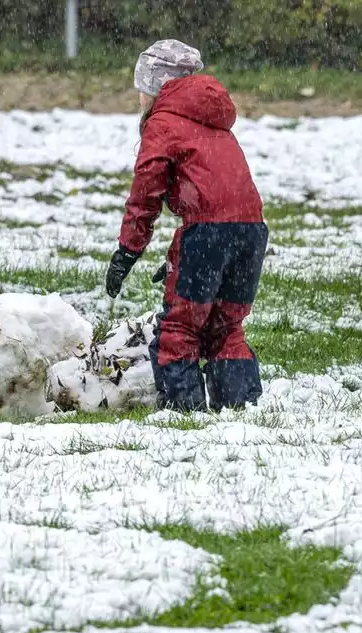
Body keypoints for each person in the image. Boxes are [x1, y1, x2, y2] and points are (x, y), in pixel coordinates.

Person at [105, 40, 267, 412]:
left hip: (208, 232)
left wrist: (128, 250)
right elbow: (222, 198)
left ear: (158, 87)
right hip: (251, 231)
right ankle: (239, 408)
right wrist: (184, 254)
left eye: (142, 90)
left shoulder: (163, 122)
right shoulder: (213, 118)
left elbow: (147, 189)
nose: (140, 100)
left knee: (179, 328)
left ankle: (184, 413)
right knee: (225, 327)